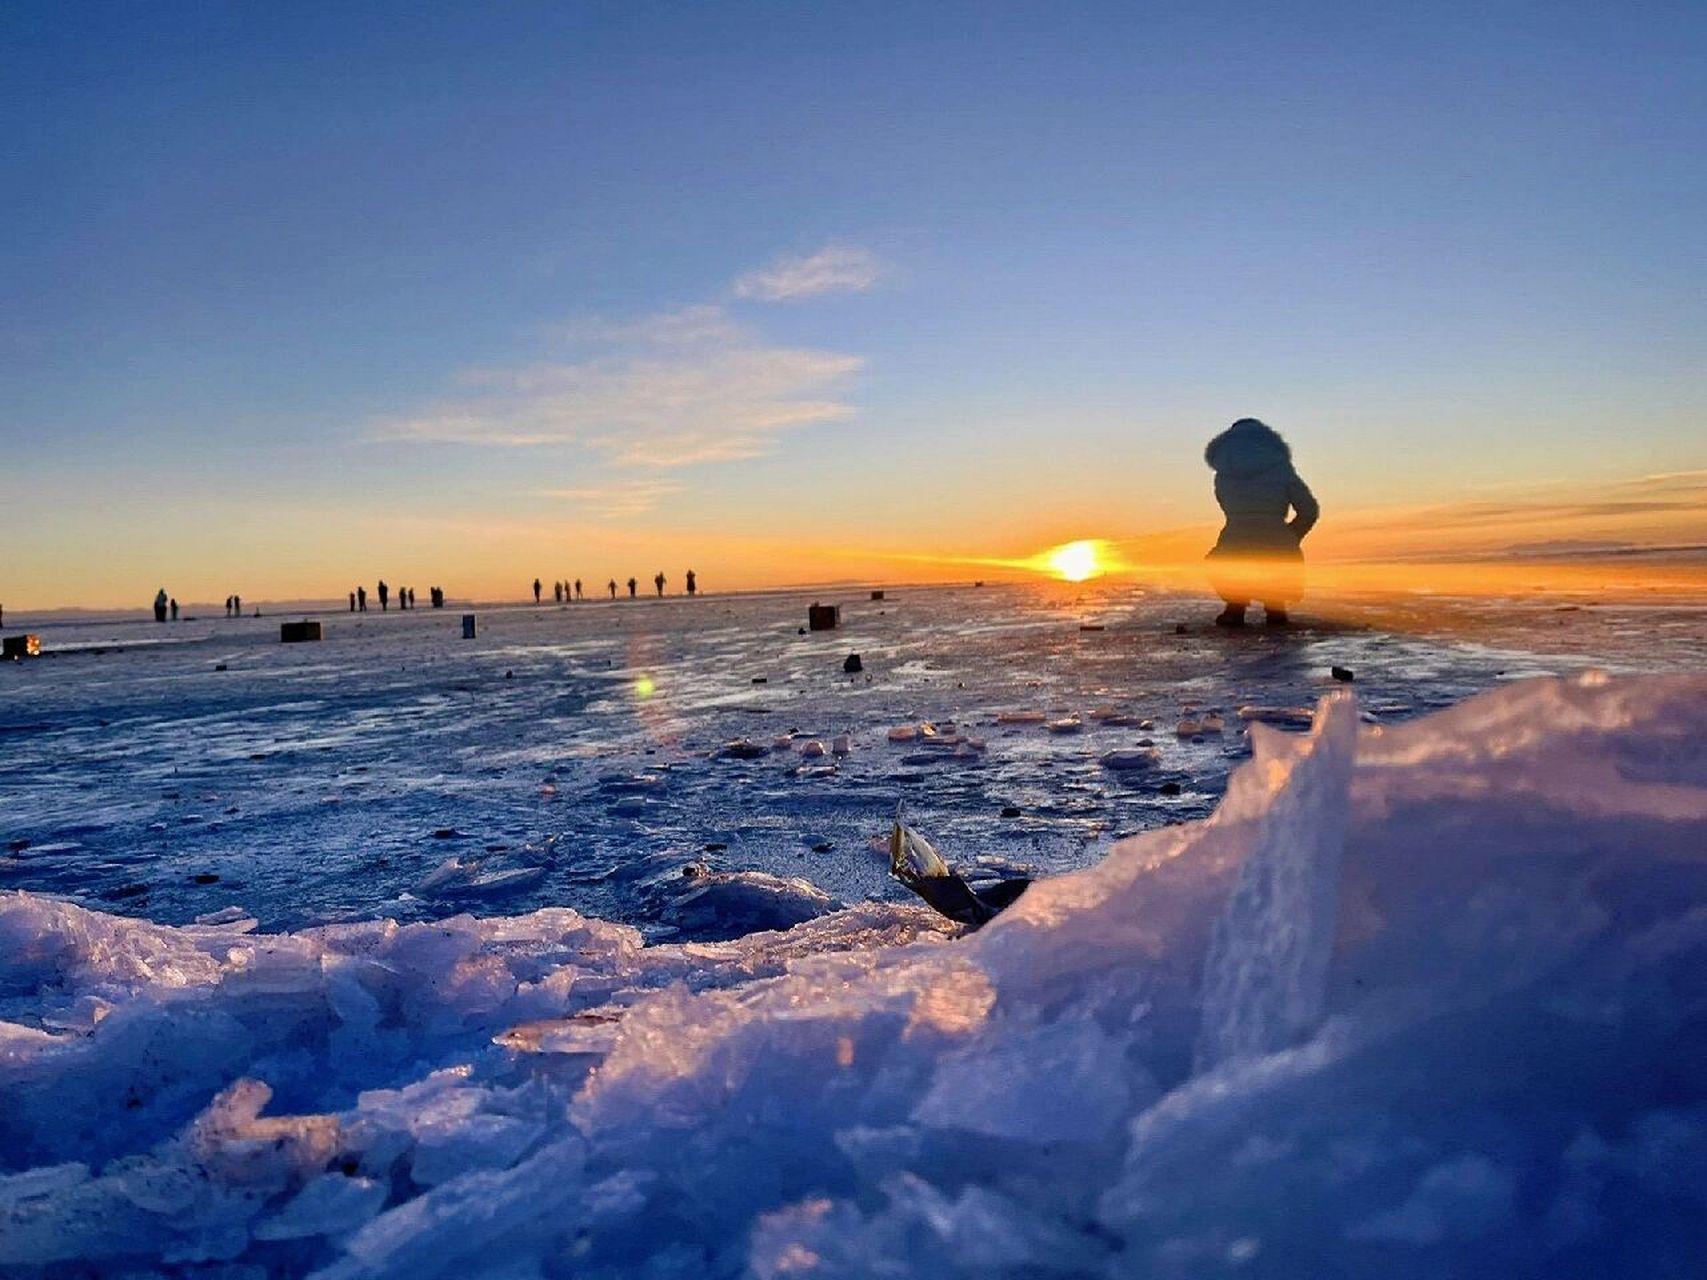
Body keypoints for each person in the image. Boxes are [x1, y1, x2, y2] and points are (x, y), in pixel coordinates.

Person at [1203, 418, 1319, 627]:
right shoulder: (1281, 468)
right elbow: (1309, 510)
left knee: (1224, 561)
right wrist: (1292, 535)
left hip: (1235, 533)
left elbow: (1225, 502)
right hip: (1275, 534)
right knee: (1277, 559)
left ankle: (1235, 608)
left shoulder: (1223, 473)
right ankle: (1275, 608)